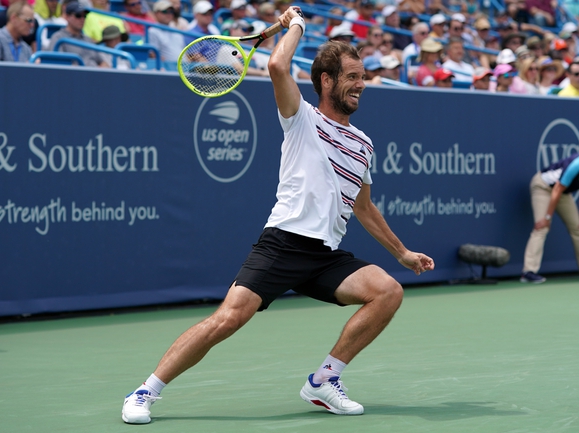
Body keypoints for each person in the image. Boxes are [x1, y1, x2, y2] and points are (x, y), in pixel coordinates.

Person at [121, 7, 434, 425]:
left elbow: (363, 206)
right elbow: (276, 63)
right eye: (353, 77)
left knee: (387, 291)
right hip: (283, 243)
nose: (361, 85)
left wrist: (402, 253)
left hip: (325, 254)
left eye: (363, 77)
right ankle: (145, 391)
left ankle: (324, 381)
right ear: (326, 81)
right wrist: (297, 24)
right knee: (227, 320)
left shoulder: (363, 143)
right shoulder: (301, 117)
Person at [521, 134, 579, 283]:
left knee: (578, 228)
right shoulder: (577, 164)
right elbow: (557, 189)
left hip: (563, 193)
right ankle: (528, 272)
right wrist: (547, 218)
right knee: (541, 227)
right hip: (543, 187)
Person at [48, 1, 110, 67]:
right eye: (78, 15)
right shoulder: (58, 37)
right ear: (67, 16)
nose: (82, 19)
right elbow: (60, 65)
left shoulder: (88, 39)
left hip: (94, 75)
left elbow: (103, 62)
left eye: (84, 16)